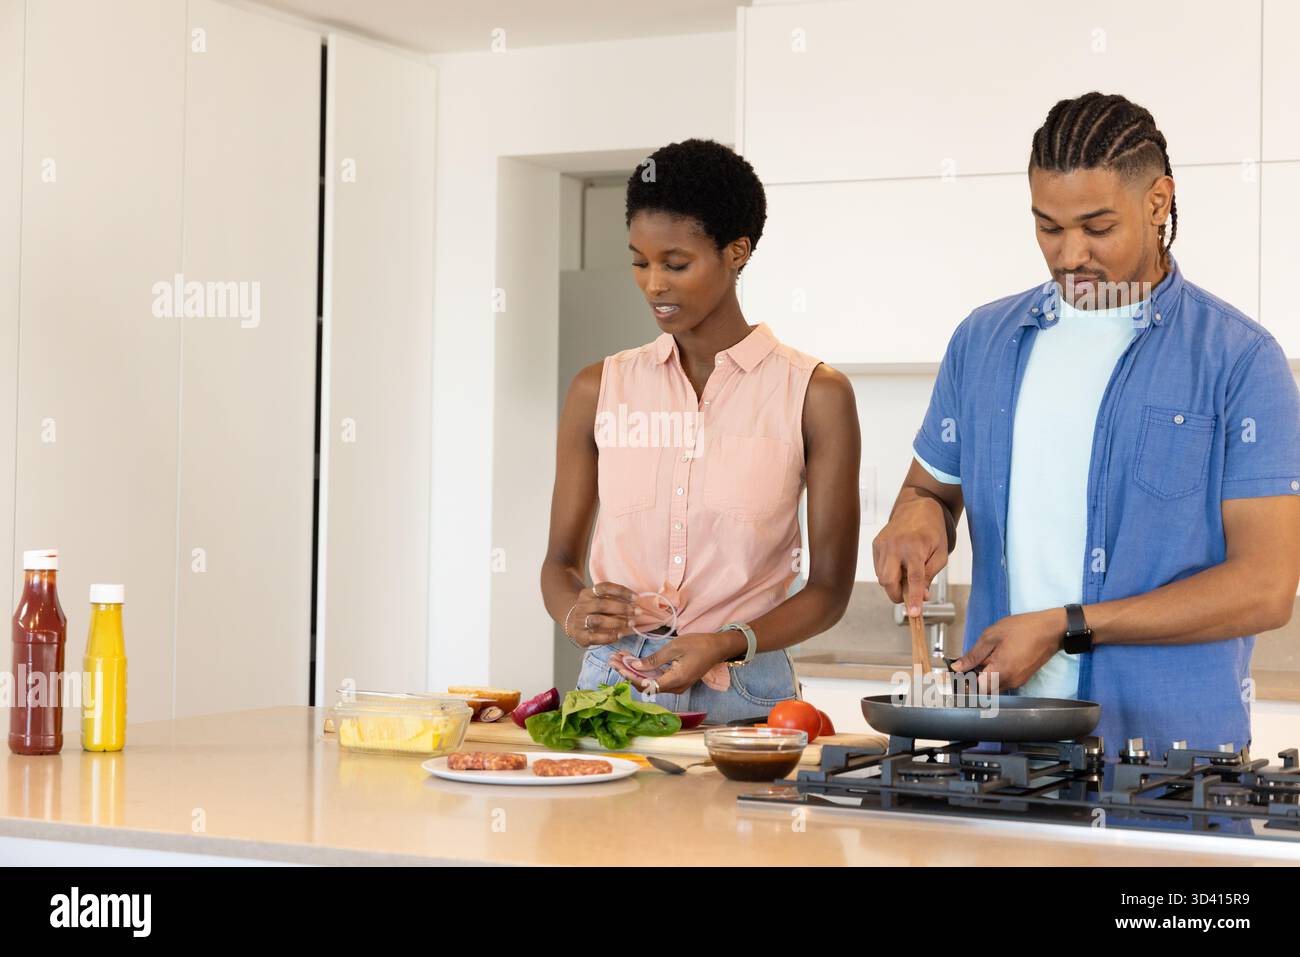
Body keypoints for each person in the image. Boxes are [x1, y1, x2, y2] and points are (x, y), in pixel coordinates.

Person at [873, 92, 1300, 757]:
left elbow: (1266, 588)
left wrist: (1067, 625)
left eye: (1097, 227)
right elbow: (929, 489)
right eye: (1048, 226)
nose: (1069, 255)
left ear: (1158, 202)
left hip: (1167, 763)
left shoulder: (1240, 360)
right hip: (997, 754)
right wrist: (917, 517)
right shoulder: (982, 342)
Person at [539, 138, 861, 722]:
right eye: (639, 261)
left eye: (676, 263)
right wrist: (573, 611)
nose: (654, 284)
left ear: (736, 252)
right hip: (613, 687)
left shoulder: (815, 394)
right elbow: (559, 561)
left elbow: (830, 590)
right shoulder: (598, 389)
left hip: (746, 692)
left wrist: (724, 641)